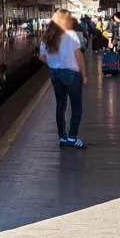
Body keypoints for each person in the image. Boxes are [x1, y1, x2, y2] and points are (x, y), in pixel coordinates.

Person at [40, 9, 87, 148]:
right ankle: (72, 138)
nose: (71, 21)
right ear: (65, 21)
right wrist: (84, 75)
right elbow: (79, 57)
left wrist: (54, 64)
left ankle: (62, 137)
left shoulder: (47, 37)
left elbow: (41, 57)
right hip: (71, 74)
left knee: (60, 106)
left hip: (55, 74)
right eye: (69, 19)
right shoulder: (71, 35)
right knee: (76, 106)